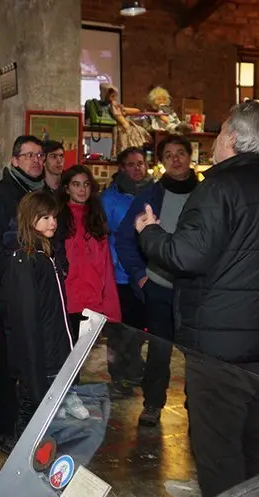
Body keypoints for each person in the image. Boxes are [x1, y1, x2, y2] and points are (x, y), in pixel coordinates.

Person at [135, 101, 259, 497]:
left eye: (221, 130)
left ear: (233, 137)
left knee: (217, 450)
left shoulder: (218, 187)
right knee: (250, 436)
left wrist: (150, 233)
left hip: (220, 347)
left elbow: (186, 255)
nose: (215, 140)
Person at [116, 134, 199, 427]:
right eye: (169, 155)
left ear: (190, 156)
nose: (176, 159)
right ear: (162, 163)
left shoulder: (207, 193)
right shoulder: (151, 196)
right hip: (160, 288)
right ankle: (152, 403)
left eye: (180, 153)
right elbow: (125, 238)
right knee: (159, 351)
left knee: (198, 353)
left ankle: (197, 406)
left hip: (197, 291)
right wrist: (140, 277)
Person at [3, 191, 89, 434]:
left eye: (54, 216)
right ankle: (23, 458)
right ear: (30, 220)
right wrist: (32, 367)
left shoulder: (45, 255)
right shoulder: (27, 260)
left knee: (41, 413)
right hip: (40, 354)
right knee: (31, 409)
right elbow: (26, 318)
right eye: (45, 217)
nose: (53, 222)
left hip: (52, 349)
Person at [0, 135, 46, 453]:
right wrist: (2, 293)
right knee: (6, 368)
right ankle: (3, 428)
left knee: (33, 362)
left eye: (40, 155)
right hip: (9, 296)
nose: (36, 160)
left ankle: (31, 424)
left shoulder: (43, 195)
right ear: (15, 160)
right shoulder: (1, 197)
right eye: (29, 155)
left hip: (38, 294)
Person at [100, 147, 153, 397]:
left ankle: (134, 366)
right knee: (120, 329)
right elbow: (105, 234)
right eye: (131, 164)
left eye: (140, 164)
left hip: (146, 272)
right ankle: (119, 373)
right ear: (121, 168)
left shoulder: (153, 193)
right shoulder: (109, 199)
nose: (137, 169)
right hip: (120, 275)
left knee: (141, 327)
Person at [56, 165, 121, 341]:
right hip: (66, 300)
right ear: (66, 189)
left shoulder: (96, 217)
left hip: (93, 300)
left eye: (86, 184)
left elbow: (106, 264)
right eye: (76, 184)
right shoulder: (56, 218)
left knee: (87, 361)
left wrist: (110, 306)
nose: (82, 189)